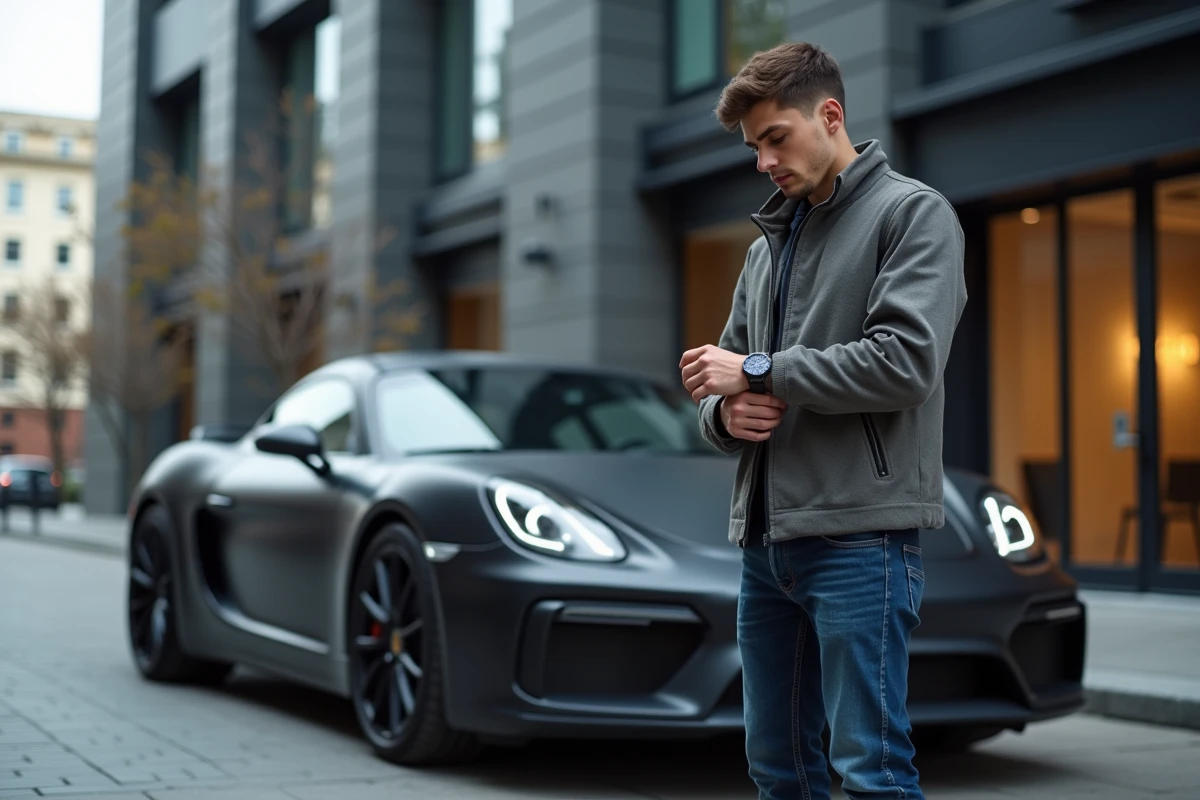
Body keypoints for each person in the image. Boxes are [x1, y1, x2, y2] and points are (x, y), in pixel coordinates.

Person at [679, 42, 967, 800]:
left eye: (776, 138)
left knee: (871, 769)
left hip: (859, 540)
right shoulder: (764, 250)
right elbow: (730, 389)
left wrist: (762, 371)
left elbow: (905, 362)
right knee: (779, 769)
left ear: (830, 115)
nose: (763, 161)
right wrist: (721, 411)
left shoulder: (912, 214)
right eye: (753, 147)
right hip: (766, 545)